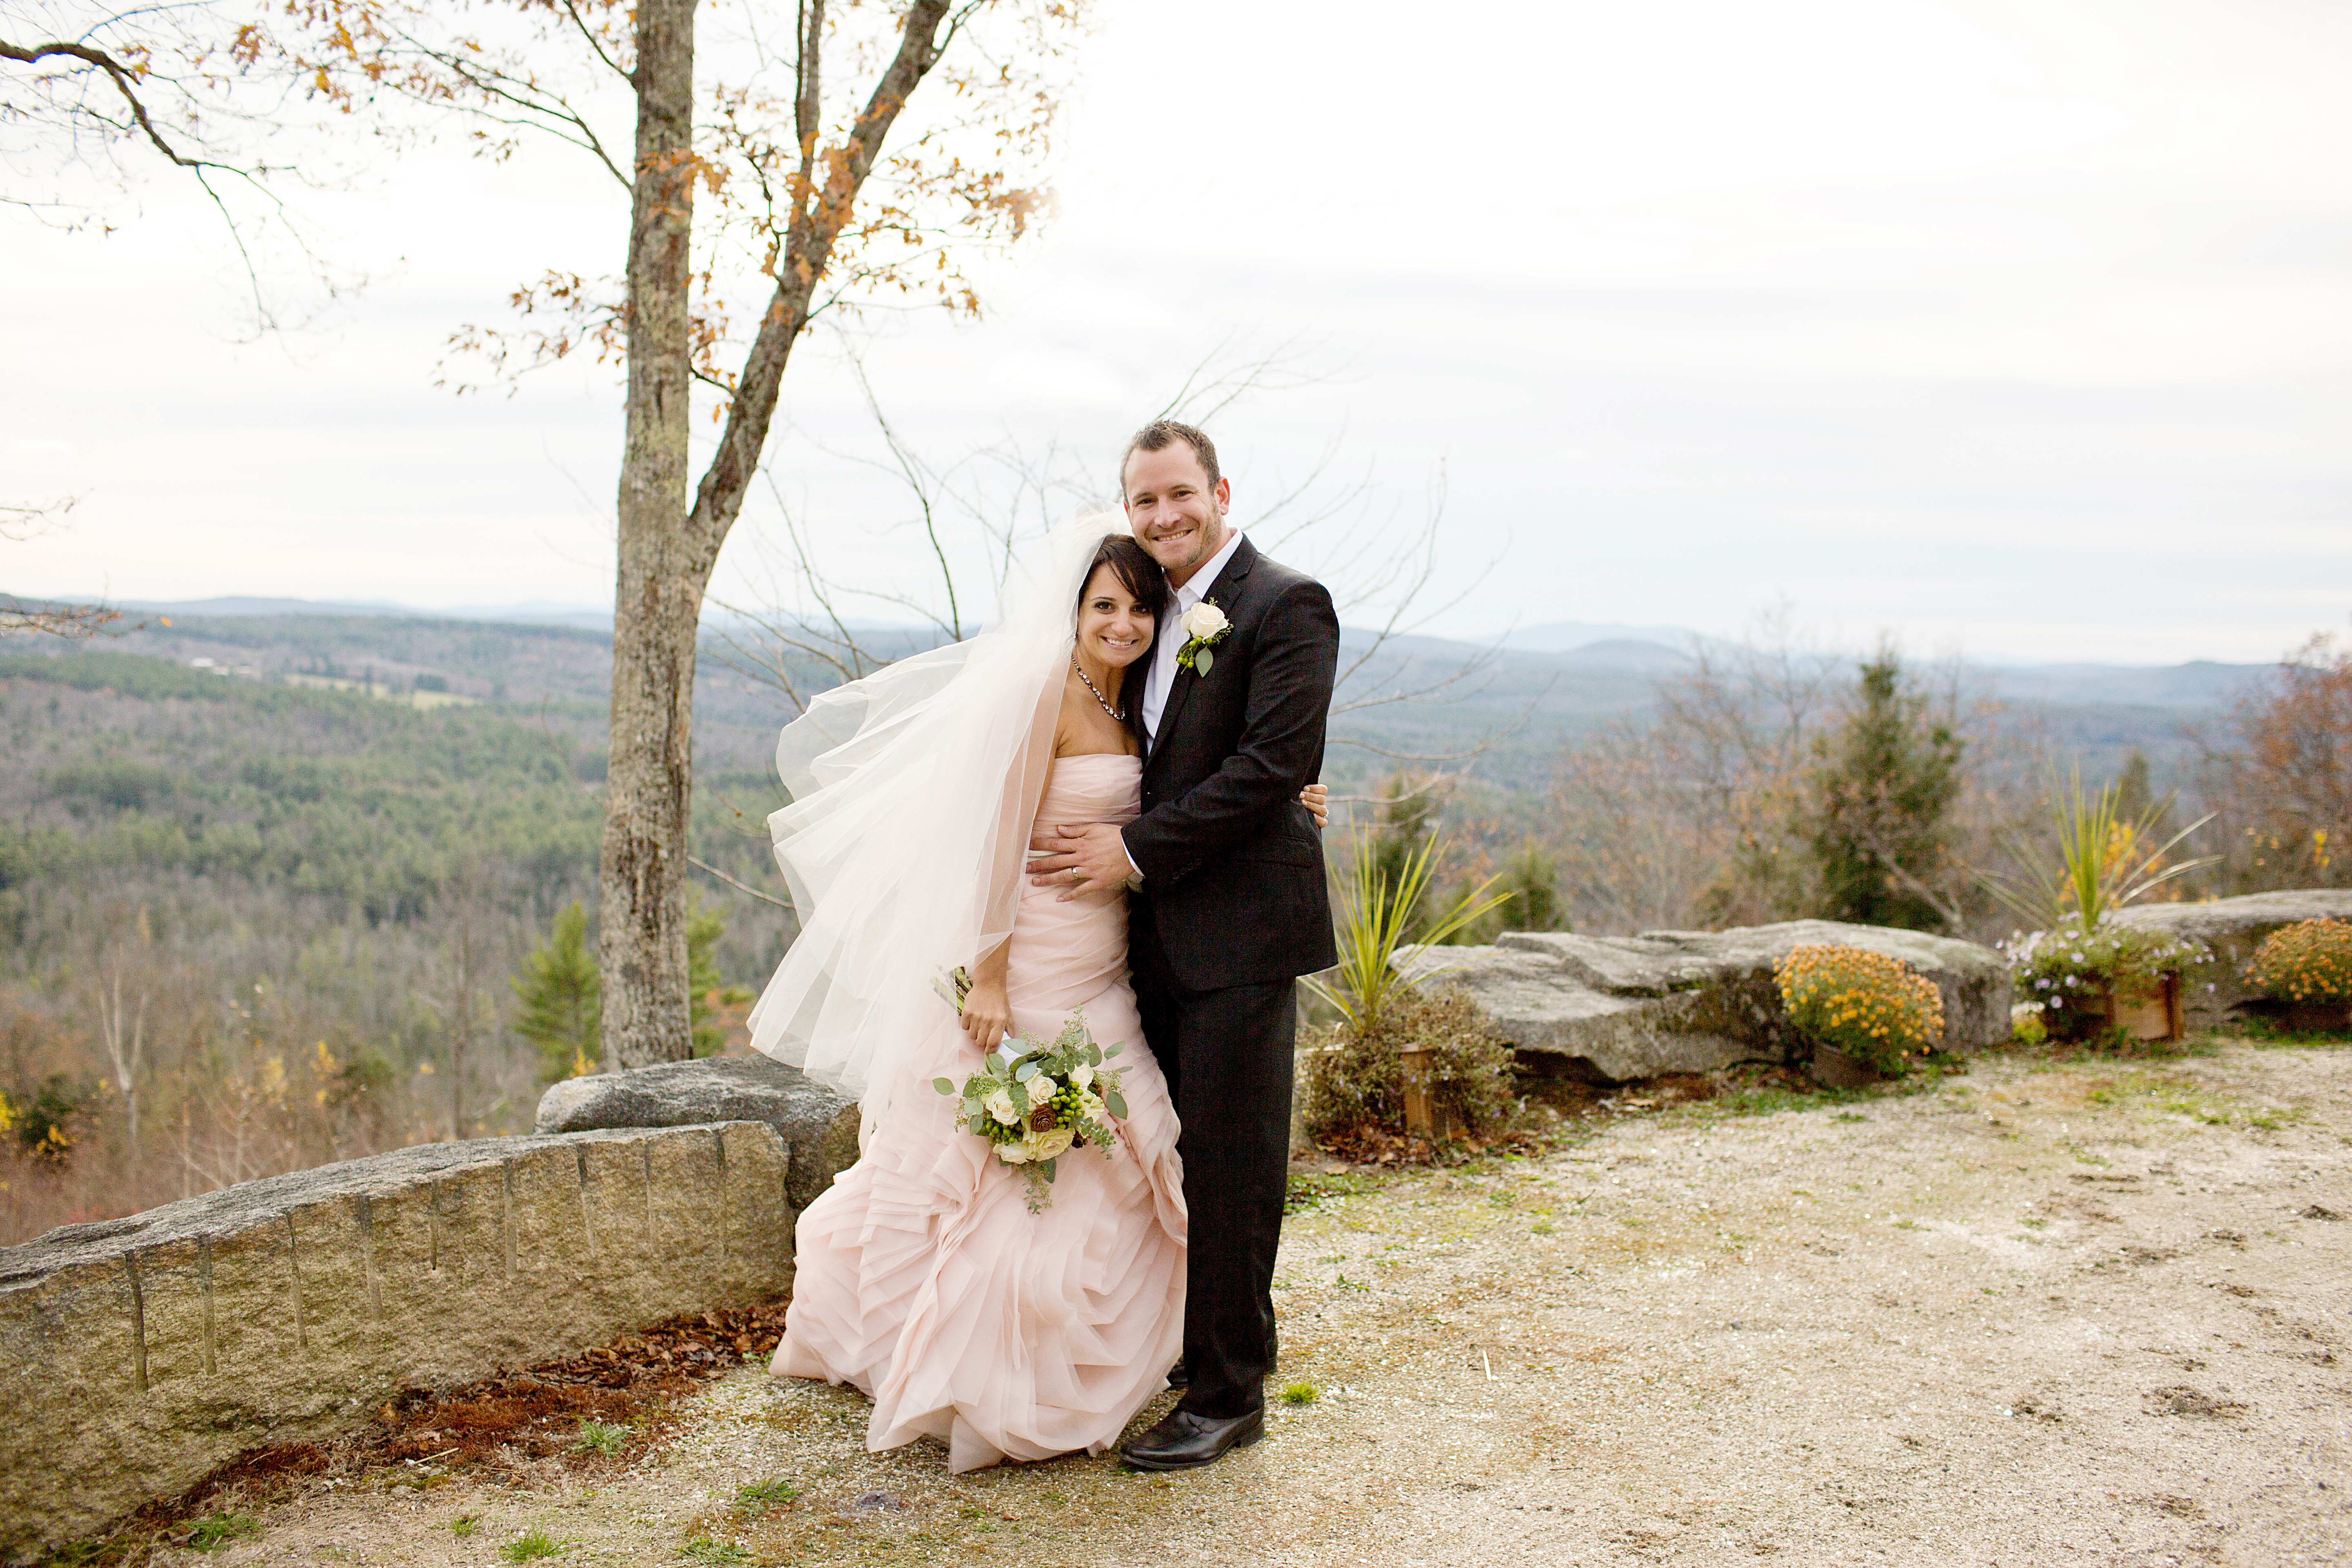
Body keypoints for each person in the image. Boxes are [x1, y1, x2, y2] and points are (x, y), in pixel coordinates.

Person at [746, 517, 1329, 1472]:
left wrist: (1289, 794)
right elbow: (994, 839)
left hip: (1113, 957)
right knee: (1030, 1164)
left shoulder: (1142, 689)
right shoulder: (1041, 695)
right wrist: (987, 971)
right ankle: (998, 1362)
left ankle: (1159, 1354)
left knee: (1138, 1141)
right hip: (1039, 956)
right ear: (1075, 609)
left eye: (1141, 607)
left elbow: (1213, 769)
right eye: (1106, 605)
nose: (1126, 623)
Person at [1027, 420, 1341, 1469]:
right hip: (1151, 941)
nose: (1163, 516)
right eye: (1144, 501)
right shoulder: (1150, 610)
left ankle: (1228, 1396)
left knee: (1235, 1168)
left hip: (1242, 932)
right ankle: (1204, 1347)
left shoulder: (1286, 601)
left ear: (1217, 490)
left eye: (1178, 495)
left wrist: (1133, 851)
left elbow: (1267, 765)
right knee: (1174, 1154)